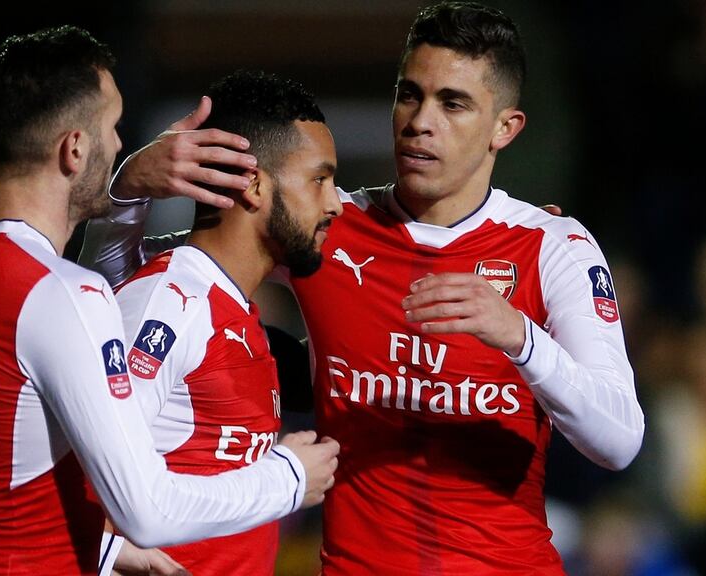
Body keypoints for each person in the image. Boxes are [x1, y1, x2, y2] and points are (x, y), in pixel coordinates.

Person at [81, 2, 645, 574]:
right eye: (409, 94)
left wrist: (521, 337)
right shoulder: (329, 226)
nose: (421, 120)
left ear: (506, 127)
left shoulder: (551, 247)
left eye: (453, 103)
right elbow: (124, 293)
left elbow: (619, 439)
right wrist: (127, 191)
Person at [0, 26, 339, 576]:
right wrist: (286, 477)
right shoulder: (64, 293)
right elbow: (143, 509)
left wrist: (106, 551)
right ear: (74, 147)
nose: (123, 146)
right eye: (113, 127)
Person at [104, 70, 341, 576]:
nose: (335, 203)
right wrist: (285, 479)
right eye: (320, 180)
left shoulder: (236, 311)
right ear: (254, 184)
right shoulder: (167, 303)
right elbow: (93, 480)